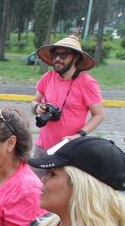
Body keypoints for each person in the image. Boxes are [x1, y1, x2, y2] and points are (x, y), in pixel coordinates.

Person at [31, 35, 105, 163]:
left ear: (75, 57)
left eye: (63, 55)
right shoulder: (48, 77)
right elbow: (35, 101)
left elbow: (99, 115)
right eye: (55, 55)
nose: (57, 59)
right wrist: (37, 108)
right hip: (42, 146)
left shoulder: (87, 82)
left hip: (69, 149)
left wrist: (79, 135)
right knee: (37, 183)